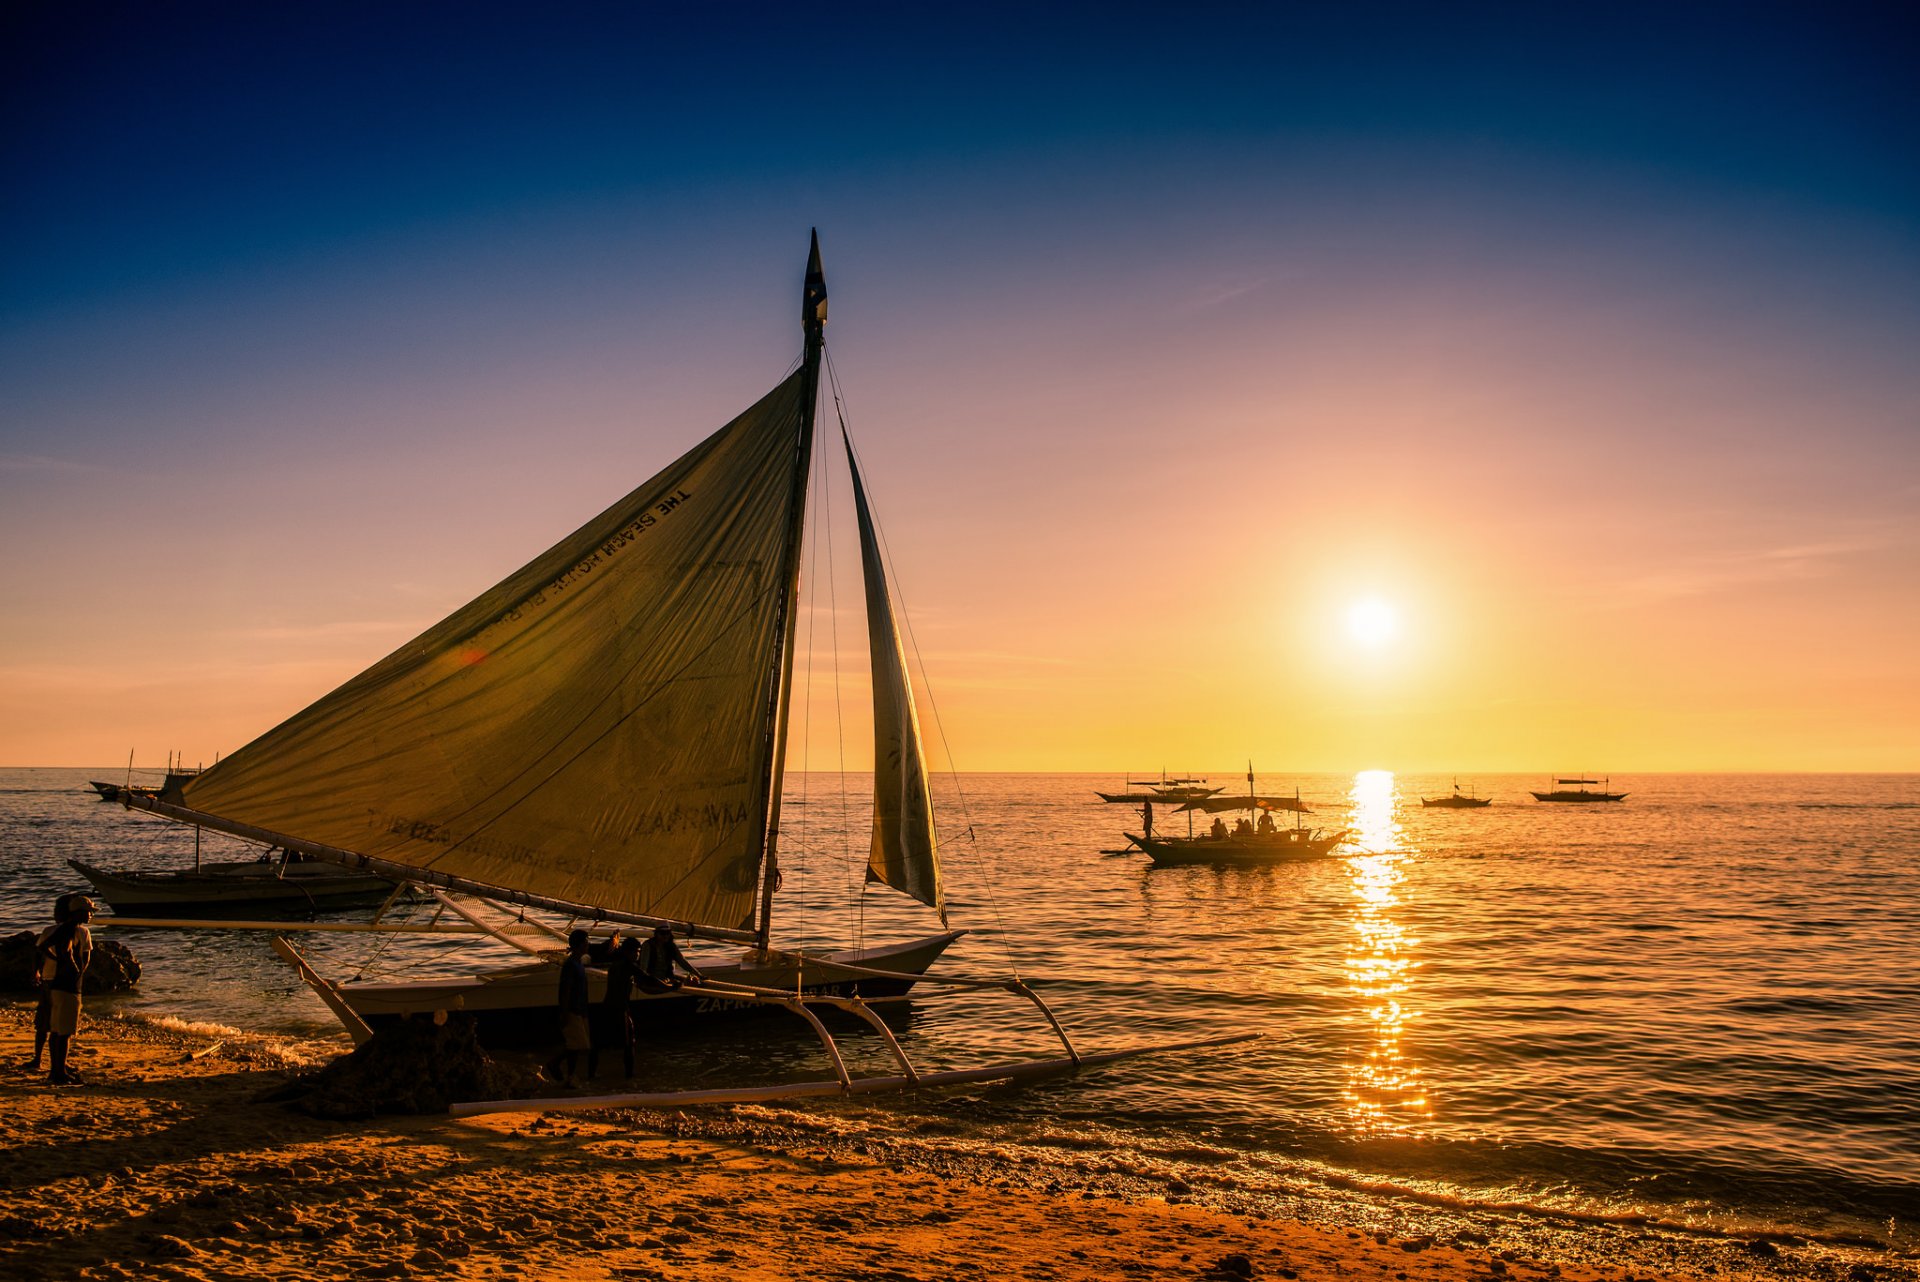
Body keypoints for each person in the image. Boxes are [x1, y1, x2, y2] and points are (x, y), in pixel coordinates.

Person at [42, 895, 94, 1086]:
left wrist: (58, 961)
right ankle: (59, 1072)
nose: (90, 915)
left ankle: (56, 1070)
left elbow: (43, 946)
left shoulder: (64, 928)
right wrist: (73, 968)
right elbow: (80, 956)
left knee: (57, 1031)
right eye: (88, 912)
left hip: (58, 985)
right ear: (78, 912)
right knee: (64, 1033)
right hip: (68, 987)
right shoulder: (74, 929)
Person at [28, 894, 75, 1073]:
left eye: (56, 910)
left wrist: (36, 971)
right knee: (59, 1025)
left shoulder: (51, 930)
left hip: (50, 979)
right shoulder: (78, 931)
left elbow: (38, 953)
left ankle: (39, 1059)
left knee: (44, 1024)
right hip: (63, 981)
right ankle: (57, 1062)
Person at [590, 933, 641, 1081]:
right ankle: (629, 1076)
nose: (638, 954)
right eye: (636, 951)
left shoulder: (615, 965)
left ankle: (591, 1075)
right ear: (628, 952)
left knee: (598, 1044)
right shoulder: (628, 966)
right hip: (619, 1009)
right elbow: (647, 978)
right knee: (629, 1043)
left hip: (607, 1006)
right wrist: (671, 985)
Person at [555, 928, 592, 1087]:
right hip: (572, 1010)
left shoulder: (578, 962)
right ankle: (557, 1065)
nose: (588, 944)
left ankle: (570, 1075)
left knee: (578, 1045)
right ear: (579, 944)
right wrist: (564, 1012)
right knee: (576, 1045)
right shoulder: (570, 965)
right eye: (586, 941)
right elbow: (565, 990)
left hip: (580, 1009)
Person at [638, 924, 705, 993]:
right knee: (677, 983)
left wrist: (699, 975)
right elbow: (643, 968)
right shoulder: (648, 945)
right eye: (662, 933)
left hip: (666, 977)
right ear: (656, 934)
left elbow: (682, 962)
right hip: (652, 979)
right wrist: (643, 983)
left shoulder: (671, 946)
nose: (665, 936)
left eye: (667, 933)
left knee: (695, 982)